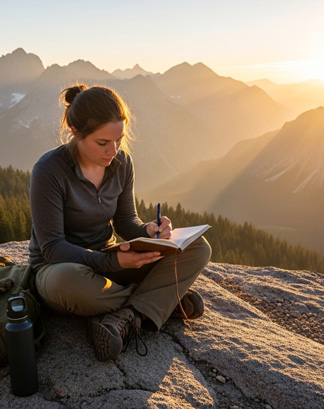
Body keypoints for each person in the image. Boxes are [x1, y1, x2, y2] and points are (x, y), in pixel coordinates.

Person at [28, 84, 212, 361]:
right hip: (60, 269)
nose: (113, 150)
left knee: (199, 248)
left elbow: (126, 222)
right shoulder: (49, 170)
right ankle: (158, 303)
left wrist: (149, 231)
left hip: (109, 261)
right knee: (69, 283)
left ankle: (128, 315)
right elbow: (52, 248)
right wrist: (114, 264)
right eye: (102, 143)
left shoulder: (122, 162)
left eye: (119, 140)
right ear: (76, 134)